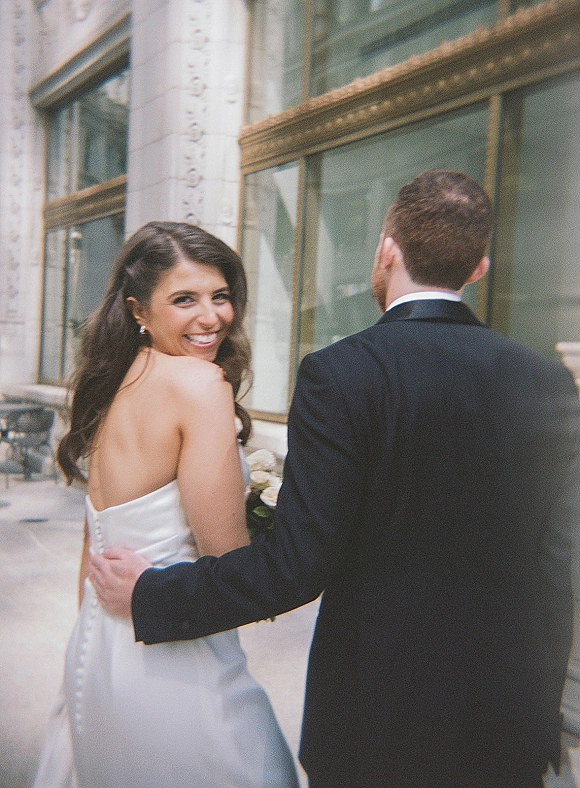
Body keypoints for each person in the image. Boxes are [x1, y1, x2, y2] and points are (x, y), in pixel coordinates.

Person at [90, 171, 580, 788]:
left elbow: (297, 566)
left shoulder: (340, 374)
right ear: (477, 268)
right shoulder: (546, 381)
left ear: (386, 251)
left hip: (376, 719)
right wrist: (541, 720)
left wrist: (152, 596)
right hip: (504, 720)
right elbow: (555, 565)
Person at [33, 222, 299, 788]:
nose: (211, 317)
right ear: (139, 310)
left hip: (99, 650)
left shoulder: (115, 383)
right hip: (174, 659)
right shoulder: (200, 386)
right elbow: (227, 557)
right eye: (185, 299)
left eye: (221, 295)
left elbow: (93, 543)